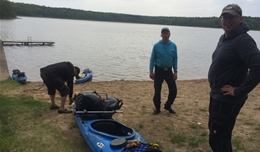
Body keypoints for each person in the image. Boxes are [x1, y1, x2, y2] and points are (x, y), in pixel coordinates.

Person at [208, 4, 260, 152]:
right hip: (217, 96)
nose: (227, 21)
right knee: (215, 135)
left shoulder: (243, 40)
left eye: (232, 17)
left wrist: (239, 91)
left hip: (227, 99)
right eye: (225, 17)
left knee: (219, 138)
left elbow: (258, 67)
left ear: (241, 19)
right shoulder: (225, 37)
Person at [149, 27, 178, 115]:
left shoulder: (173, 45)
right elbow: (152, 59)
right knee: (157, 90)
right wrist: (151, 71)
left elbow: (175, 59)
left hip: (169, 70)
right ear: (161, 35)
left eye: (167, 33)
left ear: (169, 34)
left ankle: (168, 105)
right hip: (159, 70)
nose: (165, 35)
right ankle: (157, 108)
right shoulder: (157, 45)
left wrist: (175, 71)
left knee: (173, 90)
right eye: (163, 33)